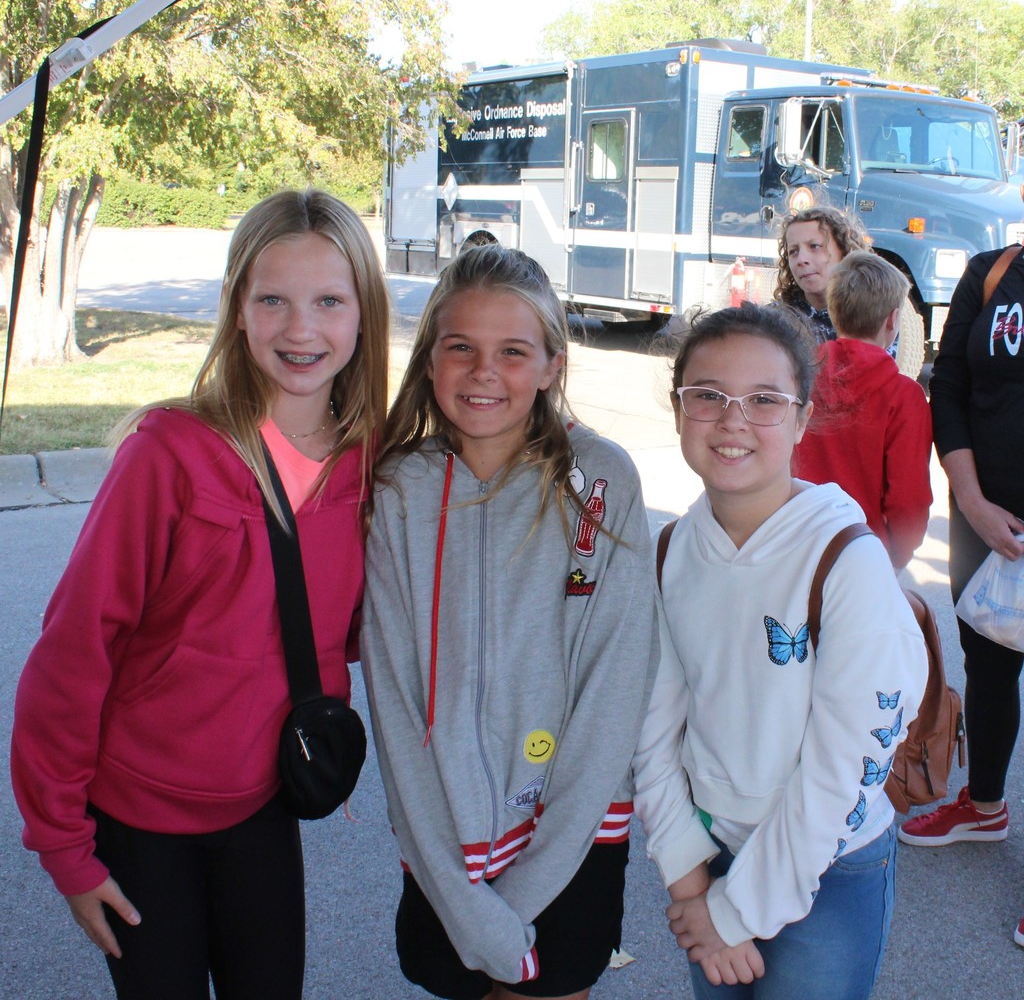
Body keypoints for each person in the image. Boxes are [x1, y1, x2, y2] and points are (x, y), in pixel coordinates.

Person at [10, 188, 389, 999]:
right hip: (138, 817)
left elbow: (358, 627)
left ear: (365, 314)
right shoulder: (168, 455)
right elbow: (74, 649)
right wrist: (65, 846)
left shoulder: (375, 470)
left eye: (329, 301)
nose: (300, 328)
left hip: (264, 805)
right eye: (273, 299)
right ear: (237, 309)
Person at [360, 244, 658, 1000]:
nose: (483, 371)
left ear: (553, 364)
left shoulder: (600, 480)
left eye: (513, 351)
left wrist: (520, 898)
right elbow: (394, 700)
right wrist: (462, 903)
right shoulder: (399, 490)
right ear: (431, 360)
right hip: (444, 840)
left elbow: (615, 687)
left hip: (574, 837)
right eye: (461, 347)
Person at [632, 303, 927, 998]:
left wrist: (733, 914)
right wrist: (690, 881)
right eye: (708, 395)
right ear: (678, 411)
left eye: (764, 400)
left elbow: (847, 762)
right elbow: (651, 729)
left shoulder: (846, 559)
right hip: (712, 855)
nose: (733, 420)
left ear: (801, 419)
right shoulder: (670, 550)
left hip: (831, 866)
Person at [897, 242, 1024, 947]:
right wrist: (971, 501)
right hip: (984, 517)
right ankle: (984, 805)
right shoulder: (992, 272)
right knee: (989, 666)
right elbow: (947, 385)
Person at [793, 250, 932, 570]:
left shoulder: (799, 379)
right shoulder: (903, 397)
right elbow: (909, 500)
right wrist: (897, 558)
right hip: (867, 556)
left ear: (834, 311)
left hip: (796, 544)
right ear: (893, 319)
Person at [773, 204, 872, 343]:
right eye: (793, 251)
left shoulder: (873, 316)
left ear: (845, 252)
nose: (801, 259)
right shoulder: (774, 322)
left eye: (814, 246)